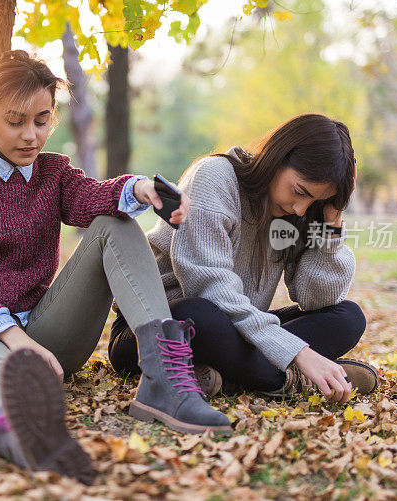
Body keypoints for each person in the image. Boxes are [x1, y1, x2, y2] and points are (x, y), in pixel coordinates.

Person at [0, 50, 232, 485]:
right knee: (4, 378)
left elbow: (92, 197)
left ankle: (164, 377)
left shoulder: (52, 172)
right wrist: (11, 336)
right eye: (16, 121)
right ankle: (12, 429)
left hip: (45, 335)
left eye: (42, 120)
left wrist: (141, 187)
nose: (31, 135)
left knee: (114, 224)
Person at [108, 114, 378, 404]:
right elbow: (208, 288)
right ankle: (287, 380)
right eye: (300, 192)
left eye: (315, 200)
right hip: (151, 328)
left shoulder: (295, 214)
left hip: (237, 328)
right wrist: (298, 353)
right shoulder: (214, 177)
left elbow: (315, 299)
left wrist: (331, 222)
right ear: (278, 157)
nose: (301, 208)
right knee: (201, 315)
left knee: (347, 317)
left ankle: (222, 375)